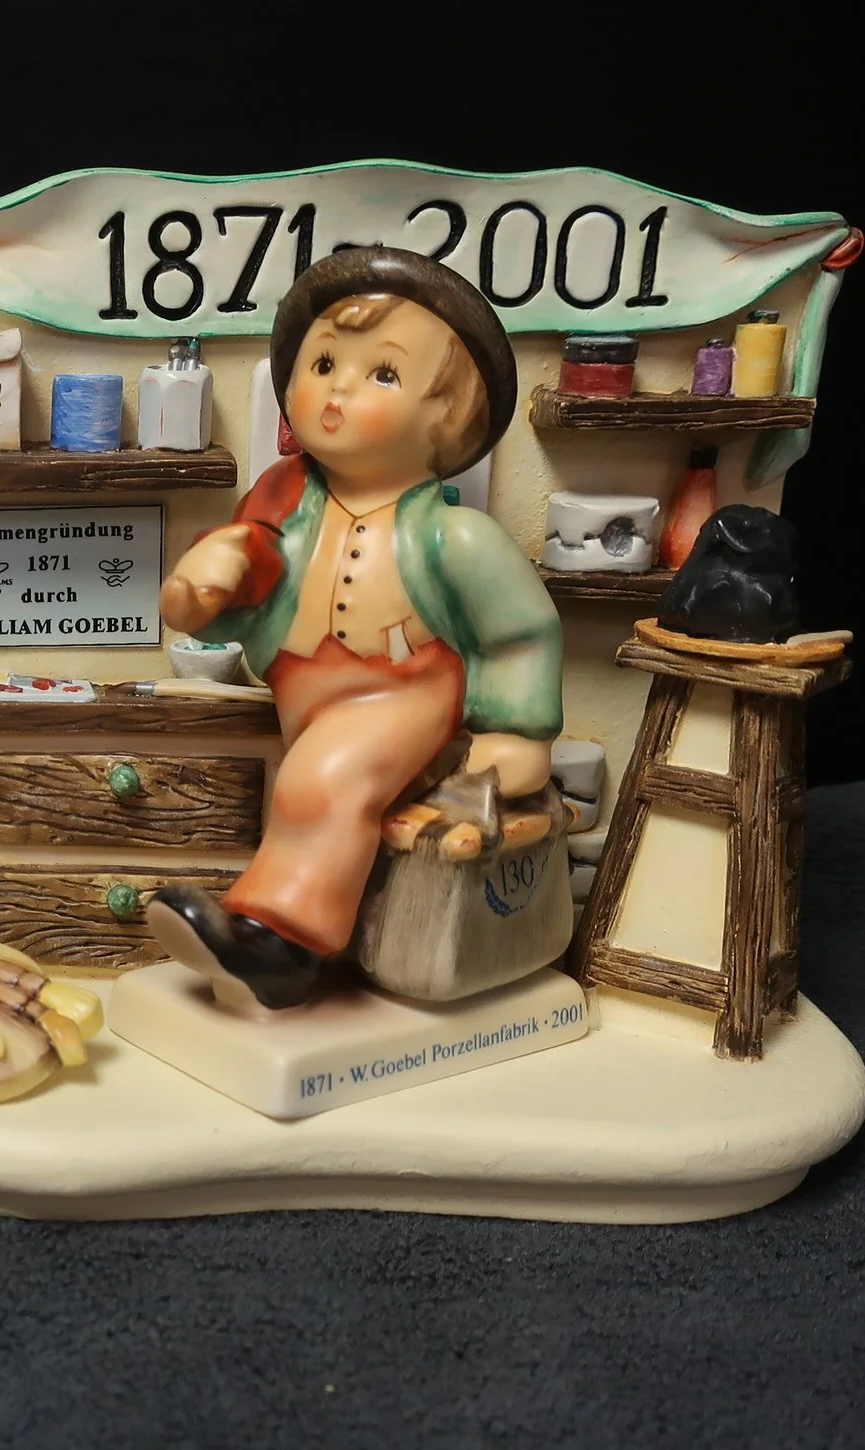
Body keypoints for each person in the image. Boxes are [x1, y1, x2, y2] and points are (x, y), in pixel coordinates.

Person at [148, 247, 561, 1012]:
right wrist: (205, 584)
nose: (338, 386)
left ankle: (280, 947)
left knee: (325, 779)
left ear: (449, 416)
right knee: (314, 783)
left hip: (405, 691)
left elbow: (520, 634)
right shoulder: (284, 506)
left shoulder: (453, 538)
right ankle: (298, 925)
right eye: (324, 361)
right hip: (307, 692)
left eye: (383, 373)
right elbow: (248, 579)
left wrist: (517, 732)